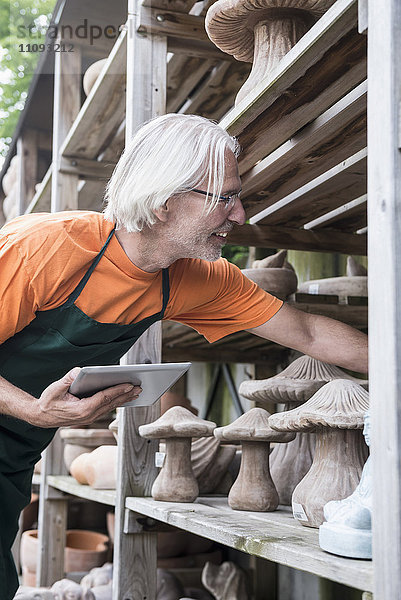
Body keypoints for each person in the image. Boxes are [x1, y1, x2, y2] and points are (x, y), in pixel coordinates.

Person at [0, 113, 367, 598]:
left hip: (15, 453)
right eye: (225, 197)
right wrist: (32, 409)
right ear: (165, 200)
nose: (240, 215)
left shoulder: (194, 278)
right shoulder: (45, 248)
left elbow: (310, 334)